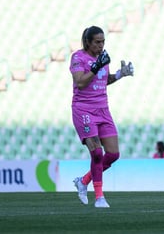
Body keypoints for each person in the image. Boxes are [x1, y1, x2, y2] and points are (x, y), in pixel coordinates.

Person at [70, 26, 134, 208]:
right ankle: (99, 197)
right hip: (84, 110)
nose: (101, 45)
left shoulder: (103, 58)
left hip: (103, 110)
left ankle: (83, 181)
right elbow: (81, 82)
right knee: (97, 152)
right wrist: (97, 65)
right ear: (88, 42)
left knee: (113, 154)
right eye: (97, 42)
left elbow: (103, 80)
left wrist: (121, 74)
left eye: (103, 41)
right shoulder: (78, 57)